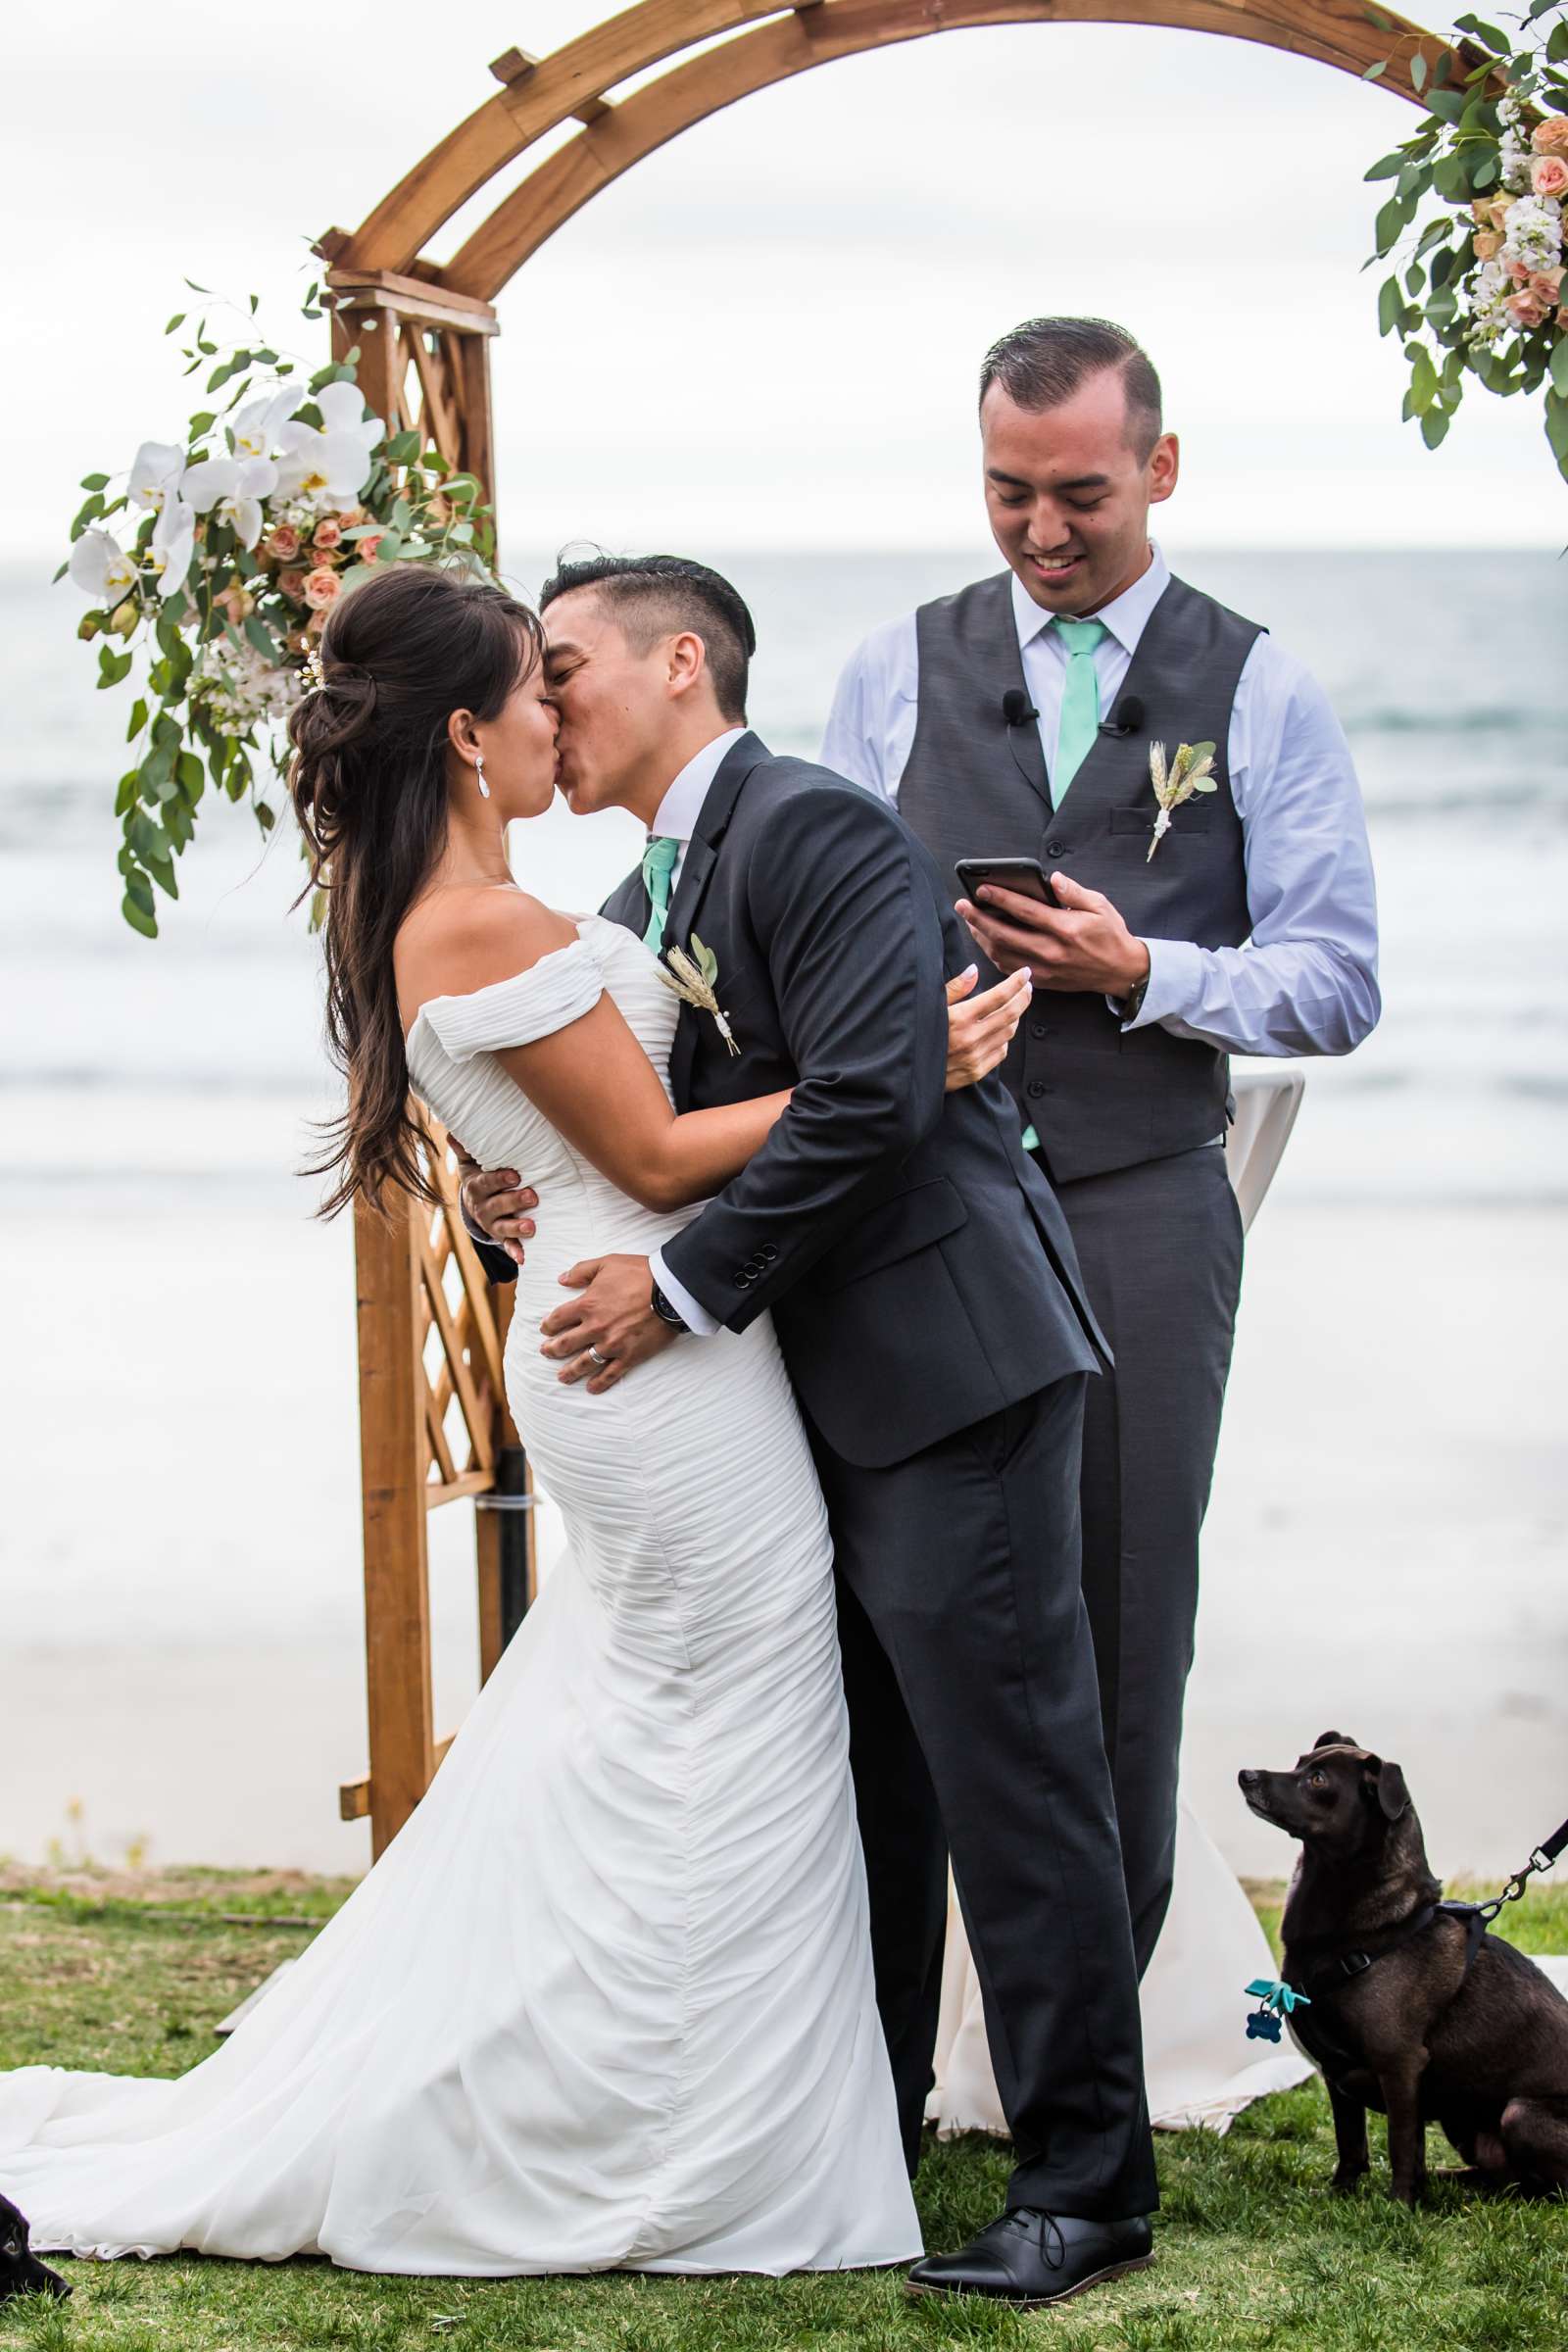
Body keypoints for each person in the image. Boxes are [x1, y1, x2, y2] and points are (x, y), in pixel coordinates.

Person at [0, 564, 1025, 2281]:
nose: (562, 715)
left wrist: (521, 1177)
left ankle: (700, 2097)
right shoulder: (477, 924)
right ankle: (676, 2124)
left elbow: (566, 1143)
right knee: (724, 1715)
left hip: (636, 1332)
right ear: (471, 734)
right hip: (649, 1351)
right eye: (536, 693)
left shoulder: (476, 907)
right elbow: (650, 1156)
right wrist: (912, 1063)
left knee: (672, 1722)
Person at [463, 551, 1159, 2309]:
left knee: (1016, 1784)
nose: (547, 704)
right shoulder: (642, 885)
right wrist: (519, 1187)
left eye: (567, 668)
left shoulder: (823, 829)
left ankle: (1088, 2186)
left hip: (950, 1367)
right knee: (873, 1787)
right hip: (805, 1403)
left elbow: (867, 1100)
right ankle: (882, 2124)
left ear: (680, 662)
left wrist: (681, 1289)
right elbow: (653, 1123)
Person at [820, 317, 1381, 1975]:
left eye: (1081, 494)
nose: (1045, 531)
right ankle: (893, 2044)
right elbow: (805, 930)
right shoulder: (886, 670)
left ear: (1162, 467)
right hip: (923, 1205)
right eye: (1008, 494)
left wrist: (1145, 973)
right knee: (899, 1611)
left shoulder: (1260, 680)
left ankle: (1091, 2064)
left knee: (1125, 1624)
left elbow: (1338, 980)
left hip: (1147, 1199)